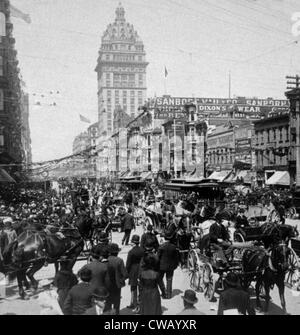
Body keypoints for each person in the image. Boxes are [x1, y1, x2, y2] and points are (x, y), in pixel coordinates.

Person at [105, 243, 128, 315]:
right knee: (116, 302)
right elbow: (125, 274)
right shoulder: (119, 260)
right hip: (117, 285)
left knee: (108, 301)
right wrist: (121, 280)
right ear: (117, 252)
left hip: (107, 285)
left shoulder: (106, 260)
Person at [157, 231, 180, 299]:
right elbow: (177, 258)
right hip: (171, 266)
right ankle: (169, 294)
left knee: (159, 279)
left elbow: (158, 257)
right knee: (169, 279)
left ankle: (164, 292)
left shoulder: (161, 247)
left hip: (161, 266)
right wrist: (175, 265)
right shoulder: (174, 247)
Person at [126, 235, 144, 310]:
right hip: (141, 269)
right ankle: (140, 303)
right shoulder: (142, 250)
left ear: (133, 243)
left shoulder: (131, 252)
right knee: (141, 287)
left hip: (133, 270)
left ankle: (134, 303)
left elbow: (128, 264)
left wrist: (126, 273)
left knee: (133, 287)